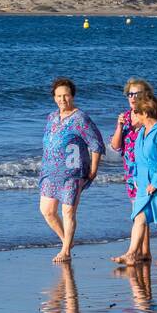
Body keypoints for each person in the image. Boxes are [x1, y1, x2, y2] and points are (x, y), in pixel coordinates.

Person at [38, 77, 104, 263]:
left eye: (66, 95)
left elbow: (96, 144)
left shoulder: (80, 118)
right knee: (47, 211)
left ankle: (66, 251)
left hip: (72, 173)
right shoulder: (51, 117)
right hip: (50, 172)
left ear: (72, 96)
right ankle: (67, 240)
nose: (62, 99)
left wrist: (94, 168)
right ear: (54, 97)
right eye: (58, 96)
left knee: (68, 212)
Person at [114, 90, 157, 267]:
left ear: (145, 113)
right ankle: (130, 253)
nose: (132, 116)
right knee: (139, 218)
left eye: (136, 113)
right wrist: (136, 178)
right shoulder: (142, 131)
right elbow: (138, 159)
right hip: (143, 183)